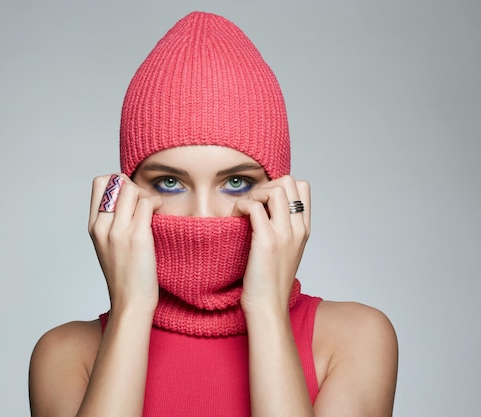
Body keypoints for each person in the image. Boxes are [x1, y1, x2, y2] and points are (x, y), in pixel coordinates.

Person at [28, 11, 398, 417]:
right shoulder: (67, 354)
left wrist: (266, 309)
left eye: (236, 182)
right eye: (170, 182)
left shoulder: (354, 338)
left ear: (281, 190)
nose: (202, 216)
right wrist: (132, 309)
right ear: (127, 195)